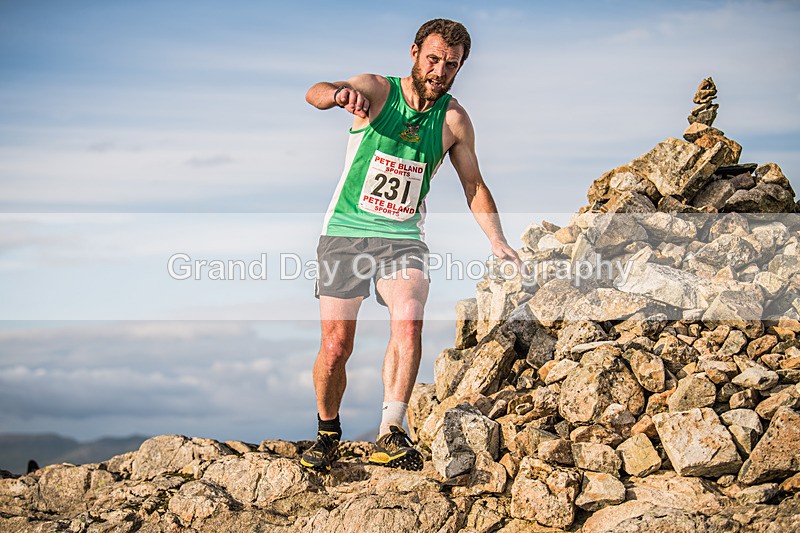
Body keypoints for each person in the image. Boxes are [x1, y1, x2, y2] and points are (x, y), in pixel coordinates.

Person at [300, 18, 520, 473]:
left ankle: (391, 430)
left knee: (408, 321)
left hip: (403, 239)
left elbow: (474, 185)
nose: (441, 70)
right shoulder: (378, 90)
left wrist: (496, 239)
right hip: (345, 231)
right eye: (434, 59)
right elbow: (317, 92)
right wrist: (339, 95)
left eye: (452, 65)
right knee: (337, 346)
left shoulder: (454, 120)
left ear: (462, 67)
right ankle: (327, 431)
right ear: (415, 52)